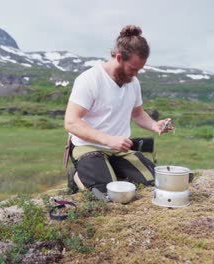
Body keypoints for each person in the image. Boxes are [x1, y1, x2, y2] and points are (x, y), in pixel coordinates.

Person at [64, 25, 172, 193]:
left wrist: (154, 125)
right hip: (88, 147)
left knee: (154, 182)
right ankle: (76, 176)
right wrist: (108, 139)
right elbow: (71, 122)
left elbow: (137, 114)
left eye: (140, 70)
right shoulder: (89, 79)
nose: (136, 75)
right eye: (133, 69)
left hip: (120, 149)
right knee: (106, 192)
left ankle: (110, 169)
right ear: (119, 58)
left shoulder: (133, 83)